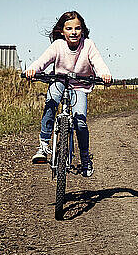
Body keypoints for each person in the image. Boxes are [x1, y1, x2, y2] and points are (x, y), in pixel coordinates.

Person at [25, 11, 111, 177]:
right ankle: (43, 146)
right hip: (59, 82)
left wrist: (104, 74)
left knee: (80, 123)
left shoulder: (88, 45)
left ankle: (85, 159)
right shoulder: (58, 45)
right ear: (62, 31)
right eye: (69, 28)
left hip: (80, 86)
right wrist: (32, 70)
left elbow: (98, 62)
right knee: (50, 105)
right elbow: (42, 61)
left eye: (77, 28)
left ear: (82, 30)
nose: (73, 32)